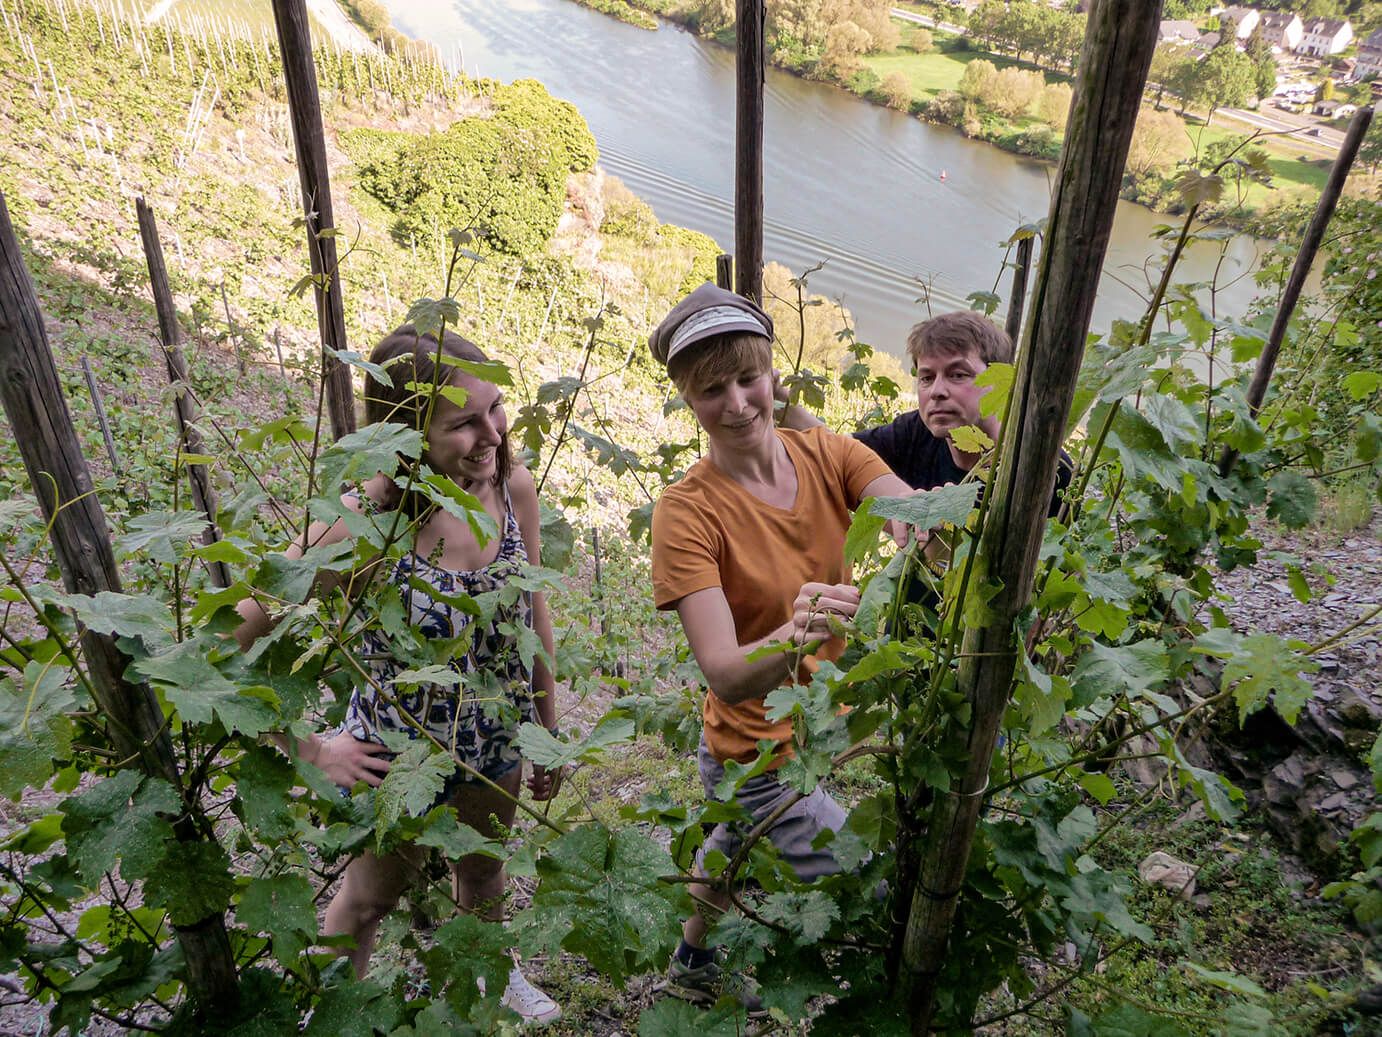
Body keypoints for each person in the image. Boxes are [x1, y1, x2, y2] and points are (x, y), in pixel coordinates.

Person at [233, 325, 562, 1026]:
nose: (492, 434)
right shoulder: (363, 524)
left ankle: (491, 980)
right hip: (394, 759)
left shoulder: (511, 486)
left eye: (495, 408)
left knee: (483, 871)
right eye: (463, 422)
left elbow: (534, 608)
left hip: (495, 741)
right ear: (404, 432)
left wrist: (548, 726)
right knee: (368, 900)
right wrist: (311, 750)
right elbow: (230, 637)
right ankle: (333, 1014)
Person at [647, 284, 919, 1010]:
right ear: (687, 399)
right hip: (757, 750)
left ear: (773, 376)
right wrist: (799, 632)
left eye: (747, 378)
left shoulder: (825, 452)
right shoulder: (686, 511)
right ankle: (882, 1006)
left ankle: (692, 959)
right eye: (711, 390)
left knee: (731, 843)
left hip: (819, 728)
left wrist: (917, 520)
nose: (736, 403)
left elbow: (896, 497)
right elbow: (726, 672)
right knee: (877, 886)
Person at [778, 309, 1070, 505]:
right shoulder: (915, 432)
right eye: (926, 378)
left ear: (1002, 380)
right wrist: (780, 405)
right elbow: (838, 453)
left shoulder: (1046, 468)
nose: (938, 392)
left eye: (958, 374)